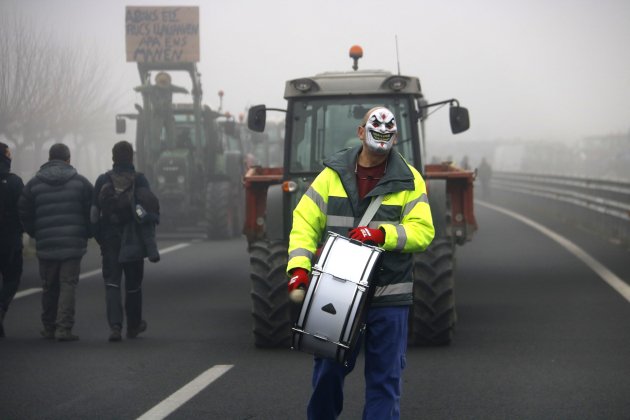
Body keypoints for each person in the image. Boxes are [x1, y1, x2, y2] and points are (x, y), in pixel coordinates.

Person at [287, 107, 435, 419]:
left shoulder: (411, 181)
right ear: (360, 132)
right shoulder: (331, 176)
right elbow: (304, 223)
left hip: (389, 295)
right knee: (327, 375)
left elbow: (423, 232)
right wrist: (298, 268)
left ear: (395, 136)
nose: (382, 133)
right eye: (376, 127)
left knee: (384, 381)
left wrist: (381, 234)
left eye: (389, 130)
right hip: (336, 292)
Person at [18, 143, 93, 341]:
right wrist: (87, 231)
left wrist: (35, 232)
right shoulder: (81, 182)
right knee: (68, 284)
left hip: (46, 242)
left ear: (49, 158)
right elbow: (92, 209)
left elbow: (23, 210)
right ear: (68, 159)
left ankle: (48, 327)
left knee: (49, 286)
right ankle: (64, 329)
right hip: (73, 243)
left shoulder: (34, 184)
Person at [91, 141, 160, 342]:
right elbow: (148, 210)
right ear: (132, 157)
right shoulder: (140, 181)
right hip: (134, 240)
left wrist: (100, 236)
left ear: (113, 157)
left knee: (112, 283)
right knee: (133, 285)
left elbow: (94, 213)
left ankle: (115, 327)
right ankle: (133, 325)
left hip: (110, 238)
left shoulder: (102, 180)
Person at [0, 143, 24, 338]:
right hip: (10, 241)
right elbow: (23, 210)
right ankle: (1, 306)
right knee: (12, 278)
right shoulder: (15, 182)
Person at [134, 72, 188, 149]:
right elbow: (142, 88)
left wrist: (184, 90)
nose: (163, 84)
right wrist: (138, 89)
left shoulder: (170, 87)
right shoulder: (152, 88)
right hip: (157, 114)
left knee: (171, 134)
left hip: (168, 115)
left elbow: (179, 89)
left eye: (164, 82)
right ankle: (155, 150)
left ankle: (171, 149)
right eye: (162, 81)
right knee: (155, 134)